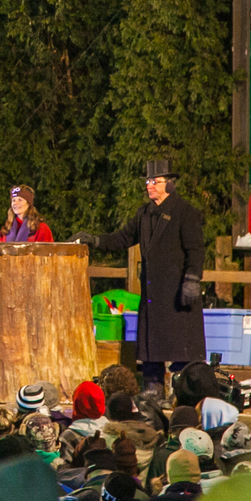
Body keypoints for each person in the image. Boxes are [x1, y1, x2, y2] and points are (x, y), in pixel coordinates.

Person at [73, 160, 205, 400]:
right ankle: (153, 390)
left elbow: (196, 250)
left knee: (181, 345)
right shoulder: (144, 213)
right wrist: (95, 240)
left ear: (169, 184)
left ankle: (181, 391)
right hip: (153, 292)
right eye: (147, 181)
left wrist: (193, 279)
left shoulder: (185, 212)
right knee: (151, 344)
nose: (150, 186)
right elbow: (122, 238)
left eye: (155, 181)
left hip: (177, 292)